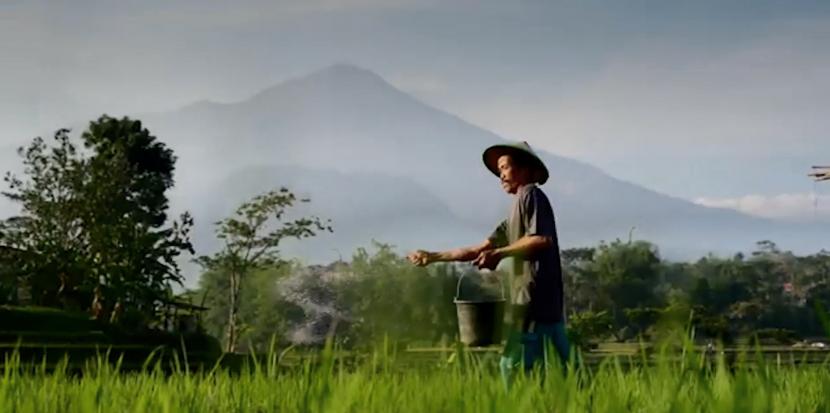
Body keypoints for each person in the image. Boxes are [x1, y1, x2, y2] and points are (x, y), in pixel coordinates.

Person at [407, 141, 570, 388]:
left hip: (533, 300)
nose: (501, 175)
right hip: (540, 303)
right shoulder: (513, 213)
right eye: (499, 170)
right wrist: (433, 256)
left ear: (525, 169)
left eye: (505, 167)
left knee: (512, 368)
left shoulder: (531, 195)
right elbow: (478, 249)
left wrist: (500, 254)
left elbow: (540, 239)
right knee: (565, 369)